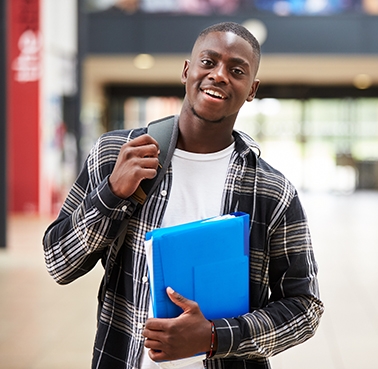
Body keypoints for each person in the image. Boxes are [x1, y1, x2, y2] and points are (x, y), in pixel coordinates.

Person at [43, 21, 323, 369]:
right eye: (208, 62)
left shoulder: (272, 191)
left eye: (236, 70)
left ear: (252, 89)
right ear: (187, 71)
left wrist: (214, 337)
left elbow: (304, 309)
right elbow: (59, 263)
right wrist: (112, 194)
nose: (219, 75)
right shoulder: (118, 153)